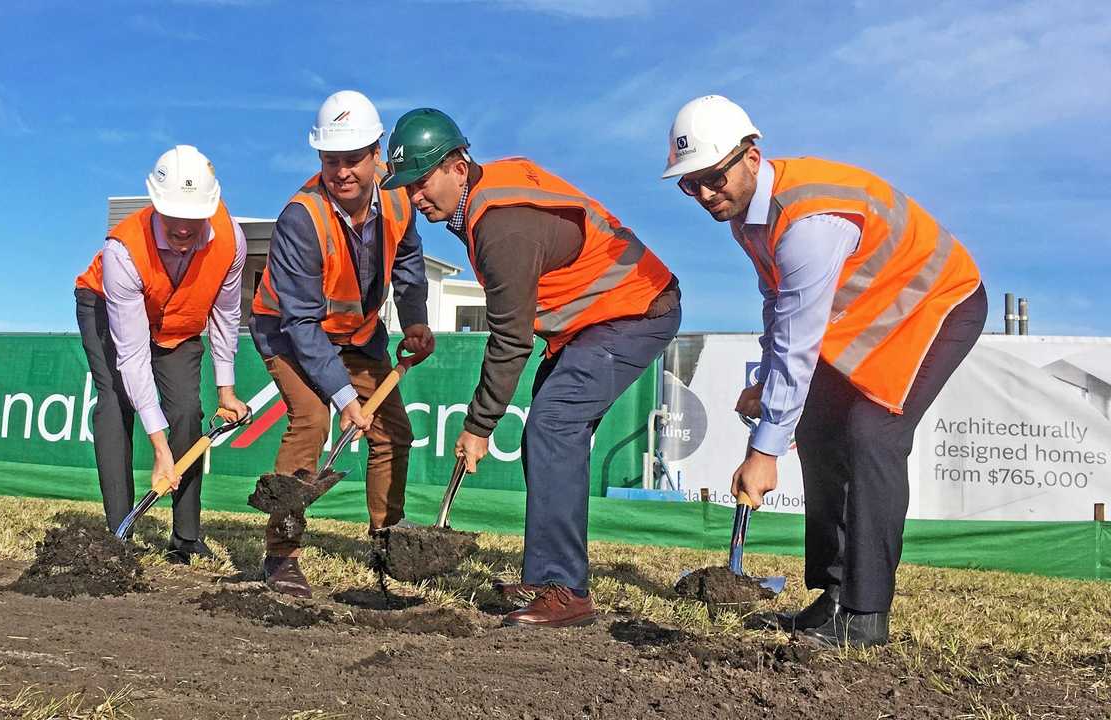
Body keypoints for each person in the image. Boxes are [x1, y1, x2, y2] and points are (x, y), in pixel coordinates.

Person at [662, 95, 986, 648]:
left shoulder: (806, 220)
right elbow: (778, 306)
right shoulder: (748, 220)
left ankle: (864, 616)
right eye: (690, 185)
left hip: (938, 303)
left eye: (713, 177)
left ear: (751, 157)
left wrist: (763, 454)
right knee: (814, 423)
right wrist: (767, 382)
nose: (707, 194)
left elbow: (801, 338)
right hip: (875, 317)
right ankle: (834, 594)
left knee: (872, 435)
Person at [381, 108, 680, 628]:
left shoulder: (501, 227)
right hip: (594, 320)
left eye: (422, 181)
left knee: (553, 423)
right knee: (546, 432)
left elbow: (511, 339)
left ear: (457, 164)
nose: (415, 196)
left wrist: (477, 427)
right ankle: (547, 575)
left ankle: (565, 588)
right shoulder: (483, 200)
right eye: (407, 186)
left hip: (635, 309)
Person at [250, 91, 434, 597]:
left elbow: (410, 263)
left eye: (354, 159)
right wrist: (343, 395)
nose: (342, 171)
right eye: (331, 160)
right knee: (312, 417)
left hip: (358, 334)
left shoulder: (399, 198)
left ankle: (385, 543)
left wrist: (414, 320)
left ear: (377, 155)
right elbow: (303, 323)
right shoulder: (301, 218)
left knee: (393, 431)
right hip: (288, 332)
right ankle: (280, 556)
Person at [75, 144, 249, 562]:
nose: (184, 227)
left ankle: (185, 536)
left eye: (194, 217)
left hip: (179, 324)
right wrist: (160, 449)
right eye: (173, 214)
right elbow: (133, 357)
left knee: (188, 410)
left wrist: (226, 391)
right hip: (104, 306)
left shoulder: (231, 240)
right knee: (117, 402)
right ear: (155, 203)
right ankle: (120, 532)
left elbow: (226, 315)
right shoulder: (123, 250)